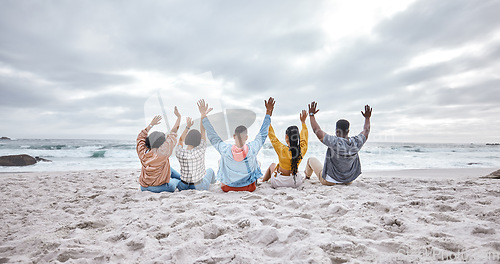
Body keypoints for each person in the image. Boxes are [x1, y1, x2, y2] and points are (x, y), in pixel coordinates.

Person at [201, 98, 275, 192]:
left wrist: (204, 117)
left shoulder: (225, 149)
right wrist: (268, 113)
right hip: (249, 188)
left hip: (227, 188)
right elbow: (262, 134)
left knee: (221, 161)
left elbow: (213, 136)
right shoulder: (252, 148)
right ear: (246, 137)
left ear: (234, 136)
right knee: (256, 162)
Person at [304, 102, 372, 185]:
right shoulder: (356, 142)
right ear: (348, 131)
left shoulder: (334, 142)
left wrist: (311, 115)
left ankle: (307, 177)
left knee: (311, 159)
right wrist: (367, 118)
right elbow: (366, 130)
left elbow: (316, 130)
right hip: (348, 180)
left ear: (336, 131)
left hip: (330, 181)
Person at [136, 107, 183, 193]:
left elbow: (140, 137)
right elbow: (173, 132)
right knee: (176, 182)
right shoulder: (163, 152)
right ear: (162, 143)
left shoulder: (142, 152)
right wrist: (179, 117)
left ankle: (182, 178)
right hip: (160, 188)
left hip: (144, 187)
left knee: (169, 168)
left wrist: (151, 125)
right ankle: (183, 180)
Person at [175, 101, 216, 191]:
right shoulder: (200, 150)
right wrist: (203, 115)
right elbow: (203, 131)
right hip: (198, 186)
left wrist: (187, 127)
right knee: (210, 170)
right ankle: (214, 182)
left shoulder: (179, 152)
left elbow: (181, 140)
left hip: (183, 186)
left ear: (187, 139)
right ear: (198, 142)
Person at [262, 109, 309, 188]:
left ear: (286, 136)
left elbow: (271, 135)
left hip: (280, 183)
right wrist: (303, 123)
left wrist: (268, 115)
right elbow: (304, 137)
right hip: (295, 182)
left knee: (272, 165)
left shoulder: (282, 149)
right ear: (298, 137)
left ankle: (263, 181)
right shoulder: (302, 149)